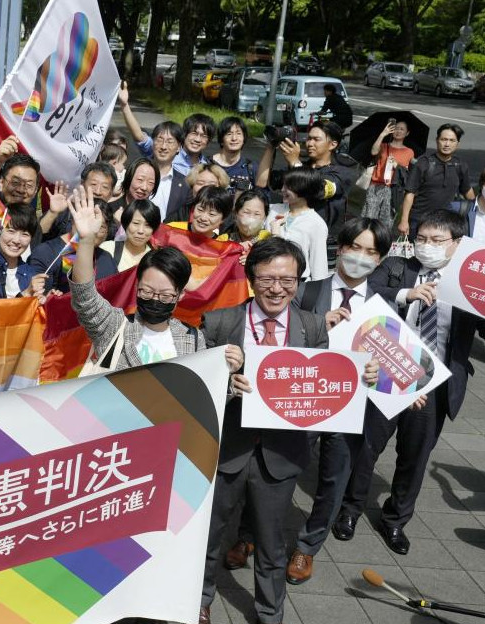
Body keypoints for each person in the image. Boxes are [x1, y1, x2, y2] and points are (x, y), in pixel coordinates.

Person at [199, 237, 376, 624]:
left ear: (299, 281)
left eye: (288, 279)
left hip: (280, 457)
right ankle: (200, 601)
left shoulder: (312, 326)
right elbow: (197, 393)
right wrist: (224, 381)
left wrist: (361, 379)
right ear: (250, 278)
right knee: (210, 538)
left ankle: (269, 612)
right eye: (267, 278)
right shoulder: (220, 322)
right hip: (226, 451)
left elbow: (321, 387)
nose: (277, 288)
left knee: (271, 545)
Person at [336, 210, 479, 555]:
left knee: (415, 456)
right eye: (421, 239)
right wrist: (406, 295)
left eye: (436, 240)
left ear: (458, 244)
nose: (426, 246)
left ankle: (396, 519)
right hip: (390, 370)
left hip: (436, 382)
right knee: (367, 446)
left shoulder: (467, 282)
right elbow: (368, 288)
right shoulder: (400, 268)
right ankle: (350, 510)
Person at [281, 218, 392, 584]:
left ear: (381, 259)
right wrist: (314, 327)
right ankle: (252, 535)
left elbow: (394, 362)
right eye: (355, 248)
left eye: (371, 252)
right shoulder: (307, 292)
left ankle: (307, 548)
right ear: (340, 248)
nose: (360, 257)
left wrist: (391, 382)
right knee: (280, 471)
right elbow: (279, 342)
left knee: (334, 480)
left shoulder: (384, 304)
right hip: (306, 398)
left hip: (352, 407)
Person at [67, 186, 244, 371]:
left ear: (180, 295)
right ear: (137, 287)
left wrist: (227, 370)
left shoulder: (192, 338)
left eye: (165, 295)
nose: (155, 299)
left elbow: (200, 386)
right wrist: (86, 240)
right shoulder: (114, 325)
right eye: (148, 291)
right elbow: (85, 297)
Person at [258, 120, 350, 228]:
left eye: (316, 139)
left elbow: (319, 189)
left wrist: (295, 162)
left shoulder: (342, 173)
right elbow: (262, 181)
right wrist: (271, 146)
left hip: (323, 239)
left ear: (332, 144)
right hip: (291, 233)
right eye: (309, 138)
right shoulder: (299, 166)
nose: (310, 144)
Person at [118, 81, 212, 177]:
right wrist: (124, 106)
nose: (197, 139)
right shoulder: (168, 151)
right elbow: (140, 137)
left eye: (203, 136)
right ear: (185, 135)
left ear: (209, 141)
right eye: (194, 133)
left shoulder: (207, 166)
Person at [397, 123, 475, 239]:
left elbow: (467, 191)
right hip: (419, 221)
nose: (447, 144)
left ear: (457, 144)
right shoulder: (423, 163)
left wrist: (478, 208)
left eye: (452, 140)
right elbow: (410, 193)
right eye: (444, 139)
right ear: (437, 140)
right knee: (414, 255)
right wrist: (404, 221)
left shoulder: (460, 165)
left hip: (445, 224)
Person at [29, 201, 118, 293]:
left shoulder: (107, 259)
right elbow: (37, 299)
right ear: (73, 220)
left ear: (107, 231)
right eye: (87, 223)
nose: (92, 231)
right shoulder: (46, 253)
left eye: (100, 226)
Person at [272, 168, 330, 281]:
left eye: (288, 187)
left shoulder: (316, 223)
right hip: (266, 276)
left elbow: (319, 266)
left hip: (297, 283)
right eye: (283, 185)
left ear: (304, 189)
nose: (283, 189)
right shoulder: (273, 210)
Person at [361, 119, 414, 226]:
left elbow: (408, 174)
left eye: (402, 129)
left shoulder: (409, 152)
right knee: (368, 219)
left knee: (386, 223)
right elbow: (373, 151)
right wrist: (382, 134)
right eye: (396, 128)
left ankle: (382, 242)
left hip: (394, 189)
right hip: (376, 186)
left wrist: (397, 165)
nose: (398, 131)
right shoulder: (384, 146)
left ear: (407, 133)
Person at [0, 207, 46, 298]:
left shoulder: (31, 274)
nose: (16, 240)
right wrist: (25, 294)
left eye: (25, 234)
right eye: (11, 231)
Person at [101, 199, 159, 271]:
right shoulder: (107, 249)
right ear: (126, 224)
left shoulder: (157, 260)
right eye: (136, 223)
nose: (141, 231)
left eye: (148, 225)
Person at [167, 186, 234, 239]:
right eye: (200, 210)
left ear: (223, 219)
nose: (203, 218)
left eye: (211, 214)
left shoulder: (222, 247)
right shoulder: (171, 229)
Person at [212, 116, 257, 191]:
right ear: (221, 139)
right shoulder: (208, 164)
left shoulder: (251, 168)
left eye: (238, 133)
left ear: (244, 139)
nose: (234, 138)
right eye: (229, 134)